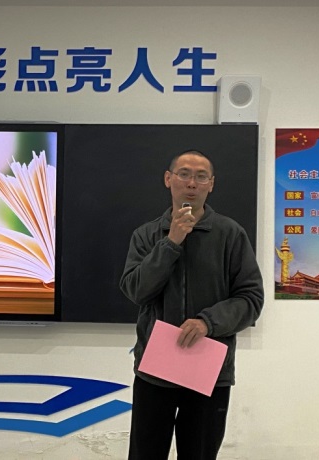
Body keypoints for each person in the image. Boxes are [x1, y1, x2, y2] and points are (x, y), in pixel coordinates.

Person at [119, 150, 264, 460]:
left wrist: (207, 322)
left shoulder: (230, 234)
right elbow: (137, 291)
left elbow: (251, 298)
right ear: (168, 179)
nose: (192, 183)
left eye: (201, 177)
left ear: (211, 184)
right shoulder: (146, 235)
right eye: (184, 174)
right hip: (155, 371)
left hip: (208, 370)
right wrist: (170, 242)